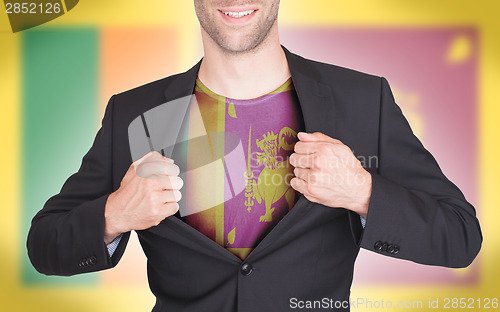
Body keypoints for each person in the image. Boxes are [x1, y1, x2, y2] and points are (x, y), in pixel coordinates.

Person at [27, 1, 482, 311]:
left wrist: (363, 192)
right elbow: (45, 245)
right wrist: (114, 215)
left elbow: (461, 237)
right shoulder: (135, 112)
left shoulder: (363, 100)